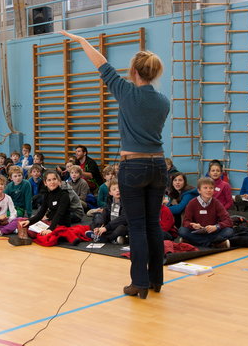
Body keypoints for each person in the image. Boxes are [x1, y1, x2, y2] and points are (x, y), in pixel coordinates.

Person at [60, 30, 169, 299]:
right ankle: (156, 280)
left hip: (134, 166)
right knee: (154, 224)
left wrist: (82, 41)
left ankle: (139, 284)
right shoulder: (164, 101)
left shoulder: (127, 92)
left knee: (139, 226)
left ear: (133, 71)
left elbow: (101, 64)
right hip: (158, 166)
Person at [178, 177, 233, 248]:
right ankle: (213, 243)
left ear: (214, 190)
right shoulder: (192, 203)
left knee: (229, 231)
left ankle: (193, 242)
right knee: (182, 231)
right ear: (199, 190)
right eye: (205, 188)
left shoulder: (216, 203)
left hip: (212, 232)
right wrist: (193, 225)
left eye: (211, 188)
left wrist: (216, 227)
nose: (208, 190)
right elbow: (185, 222)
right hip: (196, 232)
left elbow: (228, 221)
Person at [17, 170, 72, 237]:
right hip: (50, 222)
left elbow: (59, 214)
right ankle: (24, 237)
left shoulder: (64, 195)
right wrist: (29, 221)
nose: (52, 182)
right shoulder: (47, 195)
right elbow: (41, 213)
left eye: (54, 179)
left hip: (60, 224)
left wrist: (50, 229)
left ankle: (26, 235)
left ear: (59, 181)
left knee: (40, 234)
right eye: (49, 180)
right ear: (45, 183)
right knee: (21, 221)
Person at [85, 179, 128, 244]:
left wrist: (106, 227)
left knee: (121, 228)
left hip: (122, 225)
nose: (117, 190)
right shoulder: (109, 200)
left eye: (119, 188)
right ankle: (110, 237)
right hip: (111, 225)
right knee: (98, 217)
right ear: (110, 193)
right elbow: (106, 213)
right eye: (114, 189)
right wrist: (99, 227)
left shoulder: (126, 201)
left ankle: (105, 238)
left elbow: (124, 218)